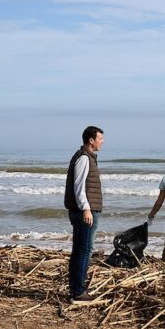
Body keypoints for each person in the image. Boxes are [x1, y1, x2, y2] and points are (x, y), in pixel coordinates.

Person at [64, 126, 104, 304]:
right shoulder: (84, 159)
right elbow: (79, 187)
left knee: (80, 250)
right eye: (100, 139)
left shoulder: (86, 157)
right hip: (85, 212)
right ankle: (79, 291)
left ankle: (76, 288)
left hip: (84, 210)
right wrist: (86, 208)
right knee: (84, 251)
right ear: (91, 140)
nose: (102, 142)